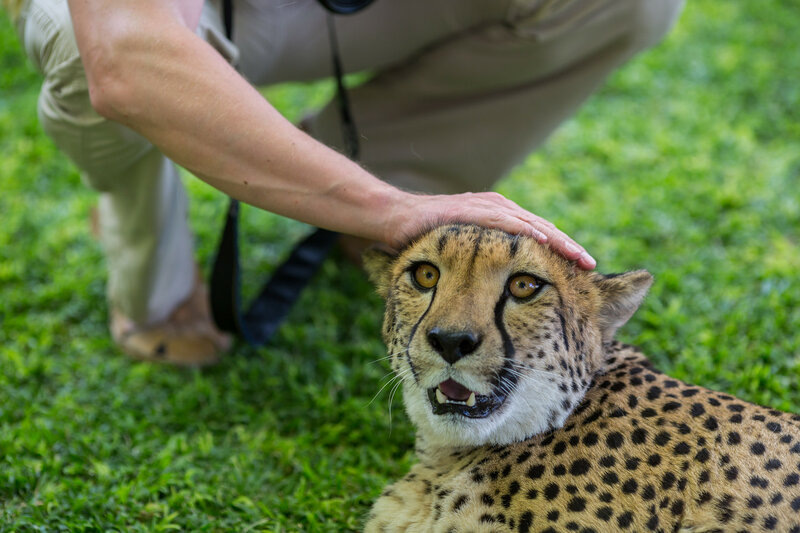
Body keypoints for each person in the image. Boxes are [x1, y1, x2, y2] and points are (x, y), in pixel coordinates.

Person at [5, 0, 684, 366]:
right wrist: (391, 211)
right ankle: (144, 232)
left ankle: (369, 173)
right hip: (191, 14)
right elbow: (128, 52)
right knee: (89, 40)